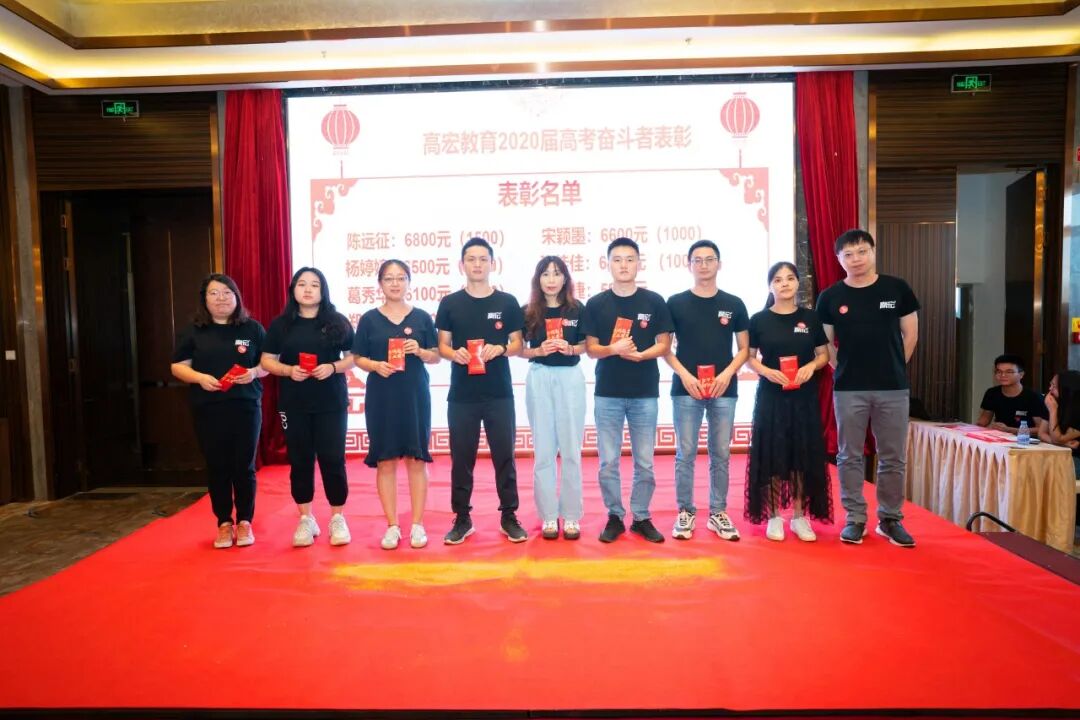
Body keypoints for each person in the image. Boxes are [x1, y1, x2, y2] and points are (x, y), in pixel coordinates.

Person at [817, 229, 920, 547]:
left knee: (893, 456)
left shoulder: (897, 288)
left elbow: (911, 334)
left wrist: (894, 367)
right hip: (849, 388)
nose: (856, 259)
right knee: (849, 455)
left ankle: (890, 518)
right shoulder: (830, 297)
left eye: (862, 251)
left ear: (873, 252)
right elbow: (825, 343)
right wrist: (841, 368)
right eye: (848, 254)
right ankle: (855, 518)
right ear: (839, 260)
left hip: (892, 388)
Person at [582, 237, 673, 543]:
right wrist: (613, 349)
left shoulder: (653, 301)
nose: (624, 265)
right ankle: (615, 516)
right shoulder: (596, 304)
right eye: (617, 259)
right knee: (608, 461)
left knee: (644, 461)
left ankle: (641, 516)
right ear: (608, 264)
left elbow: (664, 344)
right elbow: (591, 349)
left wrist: (642, 355)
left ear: (638, 263)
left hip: (644, 393)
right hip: (607, 393)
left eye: (629, 259)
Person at [436, 237, 526, 544]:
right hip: (462, 396)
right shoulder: (450, 303)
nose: (477, 264)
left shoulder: (507, 302)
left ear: (492, 263)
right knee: (461, 458)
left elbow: (518, 344)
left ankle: (509, 515)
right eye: (471, 259)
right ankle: (462, 518)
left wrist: (500, 348)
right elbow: (442, 346)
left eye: (483, 259)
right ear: (462, 265)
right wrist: (455, 354)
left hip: (499, 393)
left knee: (505, 456)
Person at [260, 267, 355, 548]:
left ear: (323, 290)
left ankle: (337, 517)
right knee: (300, 460)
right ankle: (306, 518)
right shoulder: (281, 325)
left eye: (315, 284)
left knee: (332, 458)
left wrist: (333, 367)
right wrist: (288, 370)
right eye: (302, 284)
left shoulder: (337, 321)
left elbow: (354, 357)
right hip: (294, 403)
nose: (308, 289)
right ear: (293, 290)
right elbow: (266, 360)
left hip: (331, 402)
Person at [171, 273, 267, 549]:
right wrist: (200, 378)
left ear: (236, 297)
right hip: (208, 408)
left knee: (244, 466)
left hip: (245, 406)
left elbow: (270, 363)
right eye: (213, 293)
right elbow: (178, 366)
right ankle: (224, 522)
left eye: (227, 292)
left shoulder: (252, 329)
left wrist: (254, 372)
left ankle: (245, 520)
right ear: (204, 299)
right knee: (217, 465)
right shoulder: (193, 330)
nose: (221, 298)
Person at [664, 240, 749, 541]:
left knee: (721, 453)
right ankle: (685, 511)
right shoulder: (675, 302)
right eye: (697, 260)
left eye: (709, 259)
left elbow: (744, 349)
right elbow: (665, 348)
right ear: (689, 265)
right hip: (686, 388)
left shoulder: (734, 303)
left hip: (724, 388)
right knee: (685, 452)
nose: (703, 265)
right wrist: (686, 376)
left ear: (719, 264)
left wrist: (727, 374)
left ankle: (717, 512)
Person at [352, 260, 440, 550]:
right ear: (380, 284)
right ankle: (392, 525)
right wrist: (375, 365)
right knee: (386, 460)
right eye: (389, 278)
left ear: (409, 282)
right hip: (382, 395)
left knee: (416, 459)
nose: (395, 283)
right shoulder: (369, 319)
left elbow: (437, 355)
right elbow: (357, 357)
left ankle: (417, 524)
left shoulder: (422, 317)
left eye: (400, 278)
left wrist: (421, 351)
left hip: (414, 395)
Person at [745, 262, 832, 541]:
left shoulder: (810, 318)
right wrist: (766, 371)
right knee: (772, 454)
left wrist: (811, 367)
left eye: (790, 278)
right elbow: (748, 358)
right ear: (770, 286)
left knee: (801, 454)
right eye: (778, 279)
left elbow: (823, 355)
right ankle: (773, 517)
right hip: (771, 397)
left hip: (803, 397)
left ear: (797, 283)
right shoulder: (759, 319)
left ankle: (798, 516)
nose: (784, 284)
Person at [520, 255, 587, 540]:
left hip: (570, 378)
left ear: (565, 278)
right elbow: (518, 349)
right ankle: (548, 515)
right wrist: (538, 351)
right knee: (544, 449)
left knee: (571, 449)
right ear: (538, 279)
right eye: (545, 274)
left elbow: (586, 345)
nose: (551, 280)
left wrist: (570, 348)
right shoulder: (528, 311)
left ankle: (571, 515)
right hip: (540, 376)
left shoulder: (577, 308)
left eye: (557, 273)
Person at [975, 354, 1048, 433]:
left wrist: (1009, 430)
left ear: (1021, 374)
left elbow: (1042, 429)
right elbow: (983, 422)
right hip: (999, 437)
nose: (1003, 375)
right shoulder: (992, 393)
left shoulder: (1034, 397)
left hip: (1025, 439)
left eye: (1009, 372)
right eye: (999, 371)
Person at [1041, 370, 1080, 477]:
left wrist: (1053, 411)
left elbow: (1057, 438)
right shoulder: (1054, 401)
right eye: (1050, 385)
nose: (1050, 389)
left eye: (1054, 386)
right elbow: (1041, 433)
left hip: (1075, 457)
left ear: (1066, 389)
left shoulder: (1076, 409)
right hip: (1057, 452)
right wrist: (1063, 444)